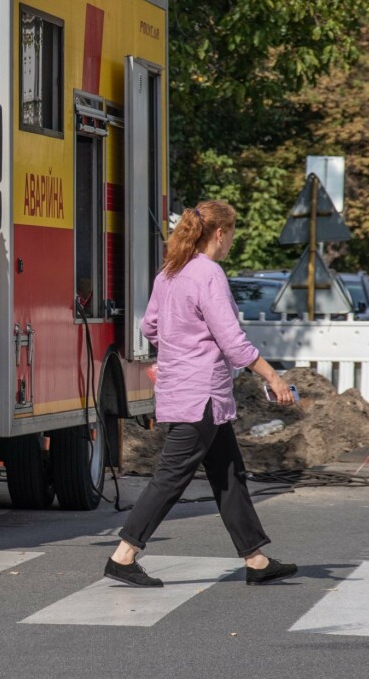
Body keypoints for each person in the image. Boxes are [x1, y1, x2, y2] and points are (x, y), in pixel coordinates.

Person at [105, 200, 299, 588]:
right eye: (232, 234)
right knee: (171, 478)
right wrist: (274, 378)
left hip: (182, 388)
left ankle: (256, 559)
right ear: (220, 234)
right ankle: (123, 555)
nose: (231, 243)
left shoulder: (170, 273)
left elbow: (151, 327)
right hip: (202, 395)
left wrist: (179, 349)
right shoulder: (209, 274)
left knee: (229, 474)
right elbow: (233, 342)